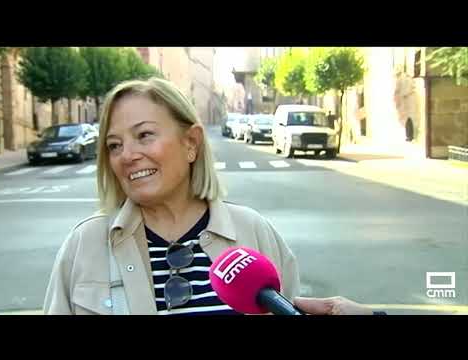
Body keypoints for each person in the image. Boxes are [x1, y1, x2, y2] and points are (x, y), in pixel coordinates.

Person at [43, 77, 383, 316]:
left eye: (144, 135)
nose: (127, 155)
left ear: (191, 143)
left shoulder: (253, 232)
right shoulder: (84, 245)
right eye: (114, 145)